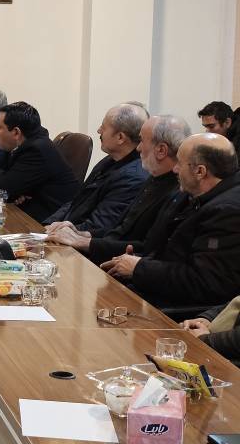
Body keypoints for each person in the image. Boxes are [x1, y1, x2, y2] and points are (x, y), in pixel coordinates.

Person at [101, 133, 240, 310]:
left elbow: (206, 283)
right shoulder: (194, 194)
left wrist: (139, 268)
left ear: (200, 171)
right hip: (158, 291)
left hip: (181, 312)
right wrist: (138, 260)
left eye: (179, 163)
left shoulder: (228, 211)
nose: (174, 169)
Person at [49, 115, 189, 264]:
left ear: (161, 150)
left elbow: (147, 247)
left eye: (142, 141)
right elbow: (121, 229)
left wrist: (83, 242)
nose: (138, 148)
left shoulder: (177, 192)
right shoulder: (154, 177)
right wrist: (81, 233)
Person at [43, 103, 149, 237]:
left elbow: (98, 227)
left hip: (79, 242)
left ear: (120, 137)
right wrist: (48, 224)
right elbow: (77, 201)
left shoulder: (133, 178)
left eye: (103, 127)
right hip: (64, 233)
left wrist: (56, 231)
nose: (99, 131)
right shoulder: (110, 160)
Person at [0, 101, 80, 223]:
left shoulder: (36, 150)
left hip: (51, 222)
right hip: (33, 213)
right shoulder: (25, 144)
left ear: (16, 132)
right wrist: (15, 191)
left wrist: (12, 190)